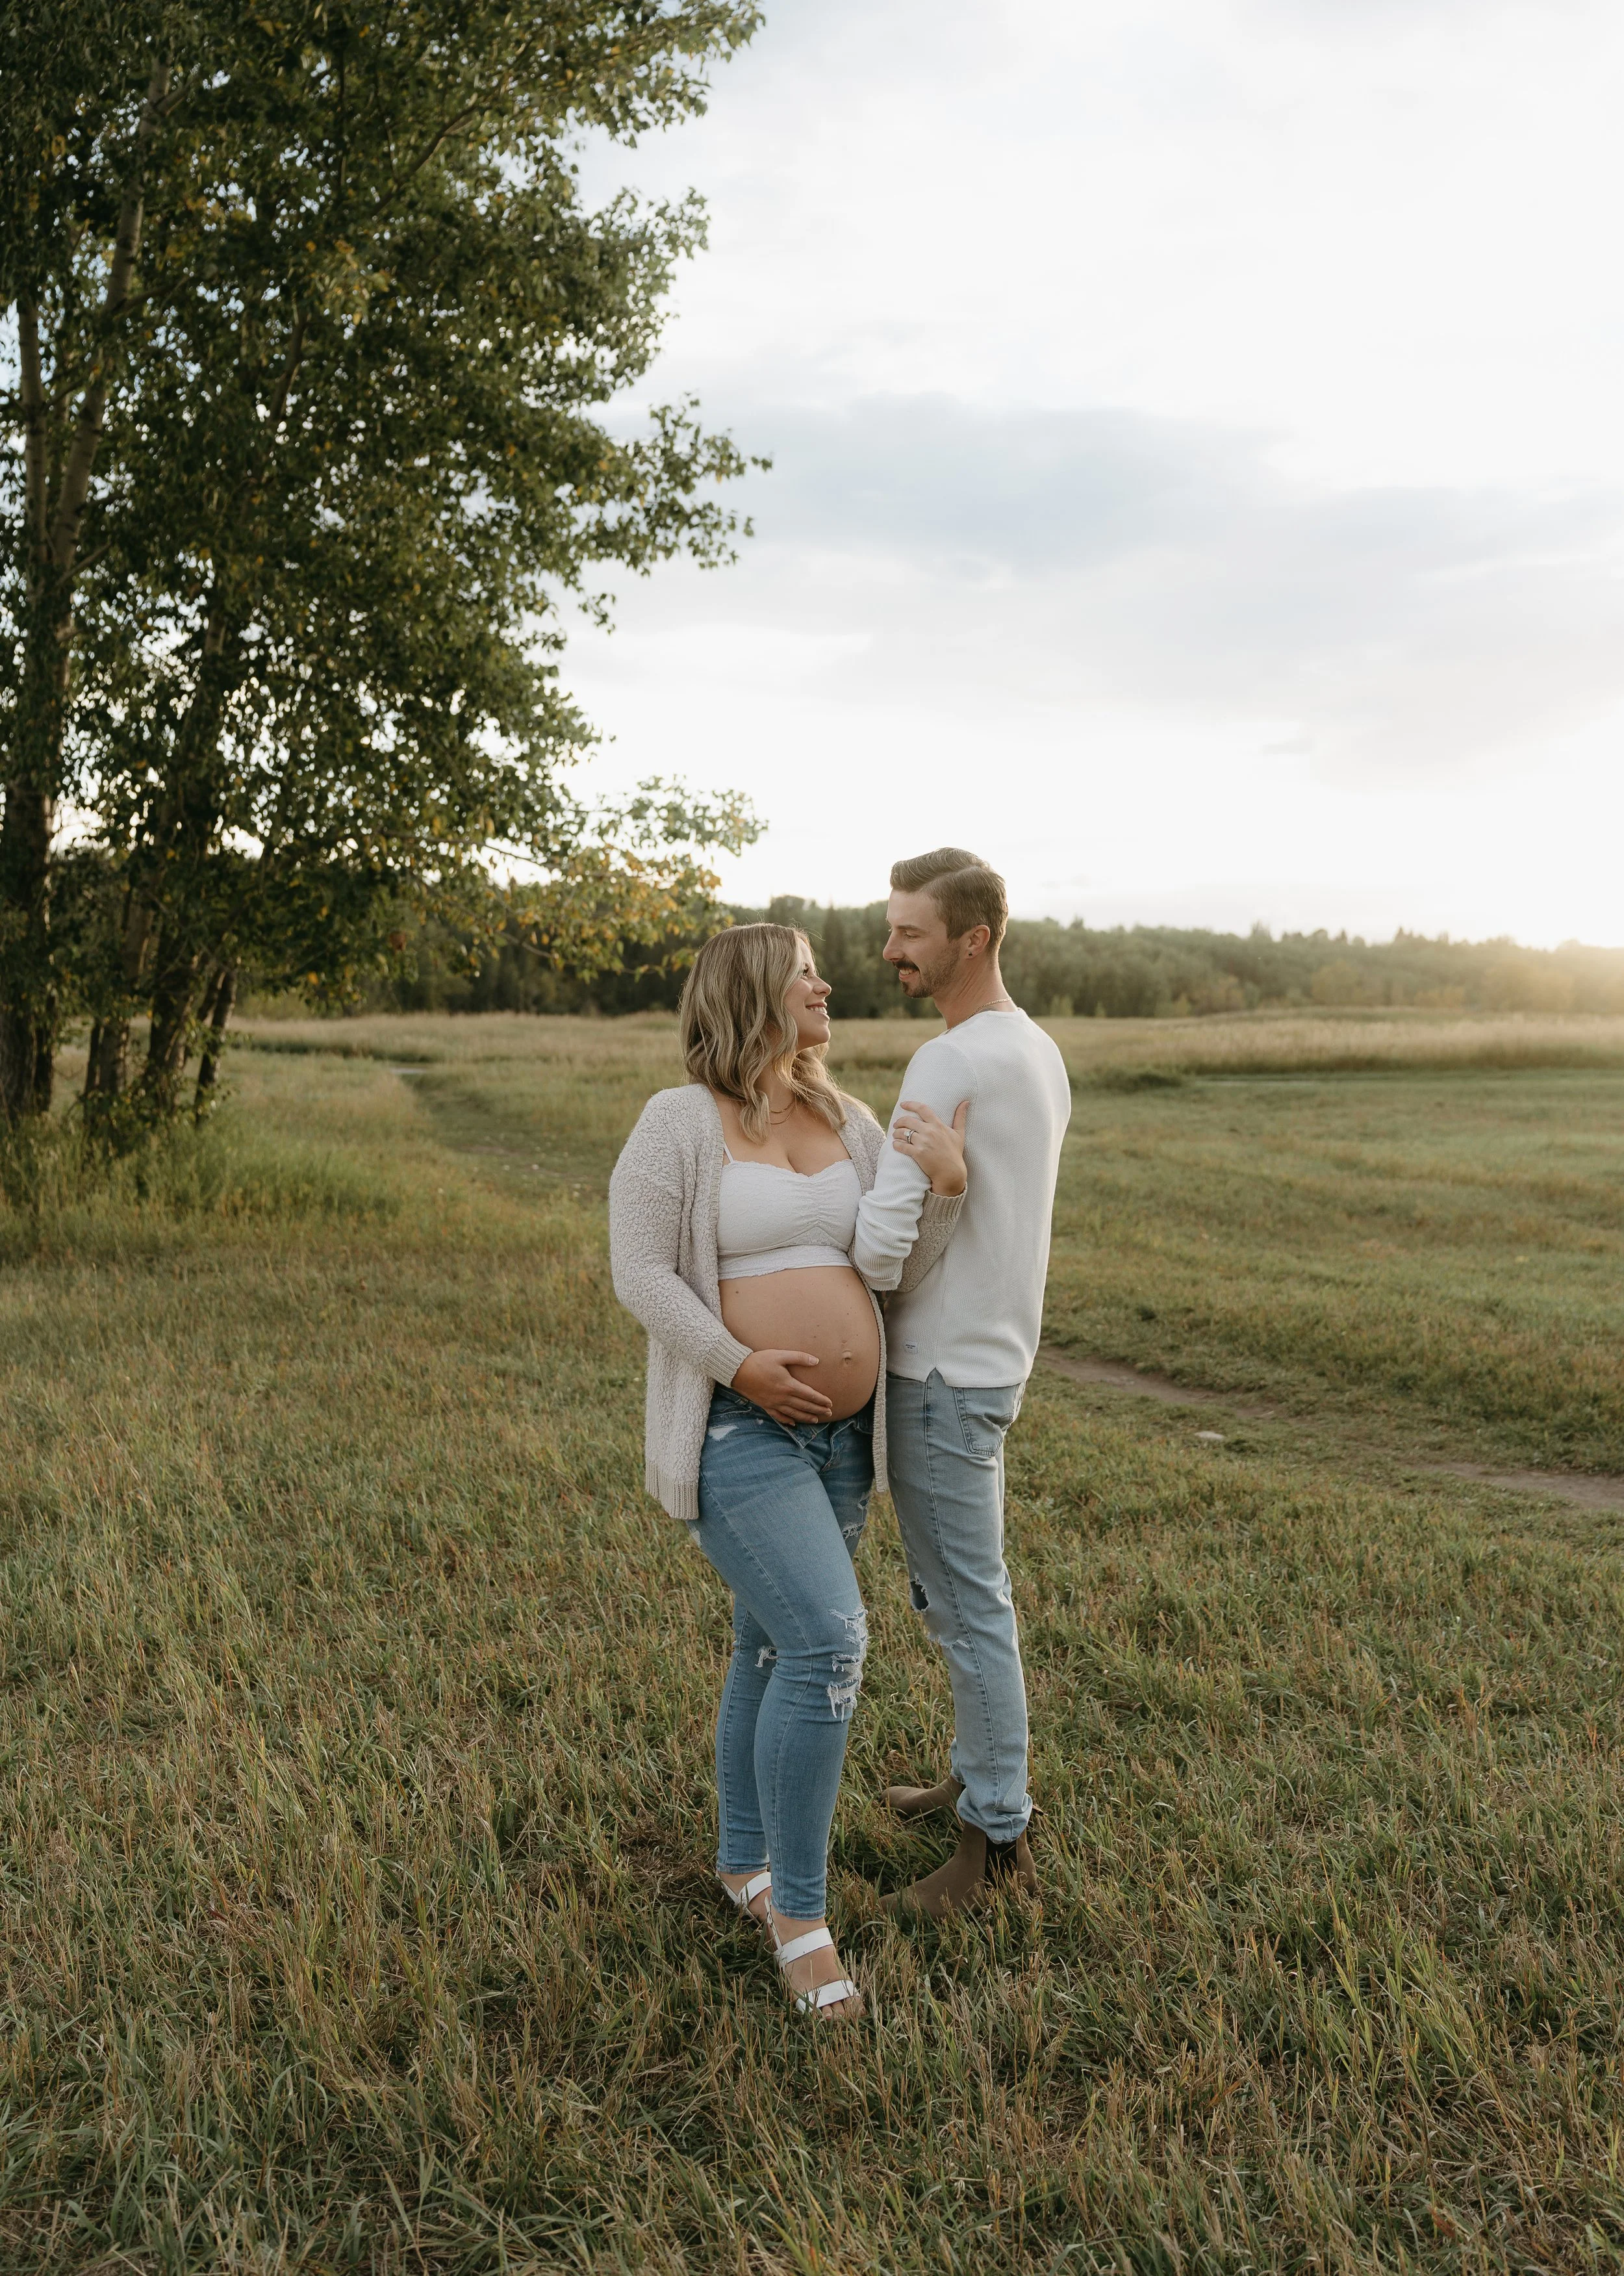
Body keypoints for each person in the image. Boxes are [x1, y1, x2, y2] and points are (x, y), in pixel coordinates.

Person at [608, 923, 967, 2017]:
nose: (824, 983)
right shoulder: (680, 1123)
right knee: (828, 1638)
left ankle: (741, 1860)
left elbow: (893, 1268)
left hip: (837, 1440)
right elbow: (639, 1273)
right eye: (804, 968)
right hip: (735, 1427)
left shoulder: (847, 1121)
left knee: (767, 1644)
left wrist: (943, 1186)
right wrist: (740, 1364)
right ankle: (801, 1920)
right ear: (755, 990)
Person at [854, 849, 1072, 1917]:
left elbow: (889, 1238)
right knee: (958, 1599)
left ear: (971, 938)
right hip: (994, 1360)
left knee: (969, 1606)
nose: (890, 948)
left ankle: (993, 1842)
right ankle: (972, 1771)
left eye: (909, 931)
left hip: (940, 1370)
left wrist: (823, 1276)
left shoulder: (948, 1065)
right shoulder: (1038, 1049)